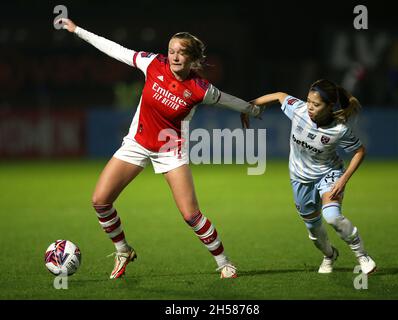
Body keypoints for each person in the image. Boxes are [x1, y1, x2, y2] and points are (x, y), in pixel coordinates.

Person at [57, 17, 263, 279]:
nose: (175, 56)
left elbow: (227, 100)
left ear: (192, 58)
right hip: (137, 143)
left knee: (191, 215)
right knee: (100, 201)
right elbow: (117, 50)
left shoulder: (200, 89)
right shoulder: (153, 63)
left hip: (171, 150)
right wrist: (78, 31)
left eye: (182, 52)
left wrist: (252, 109)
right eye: (172, 51)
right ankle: (123, 250)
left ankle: (224, 263)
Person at [246, 79, 376, 274]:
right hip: (299, 179)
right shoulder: (299, 110)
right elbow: (280, 96)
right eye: (308, 101)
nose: (309, 107)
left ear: (330, 106)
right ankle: (329, 255)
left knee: (332, 217)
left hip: (328, 174)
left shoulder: (339, 130)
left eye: (316, 104)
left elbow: (359, 151)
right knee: (314, 229)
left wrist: (343, 178)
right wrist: (250, 105)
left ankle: (362, 256)